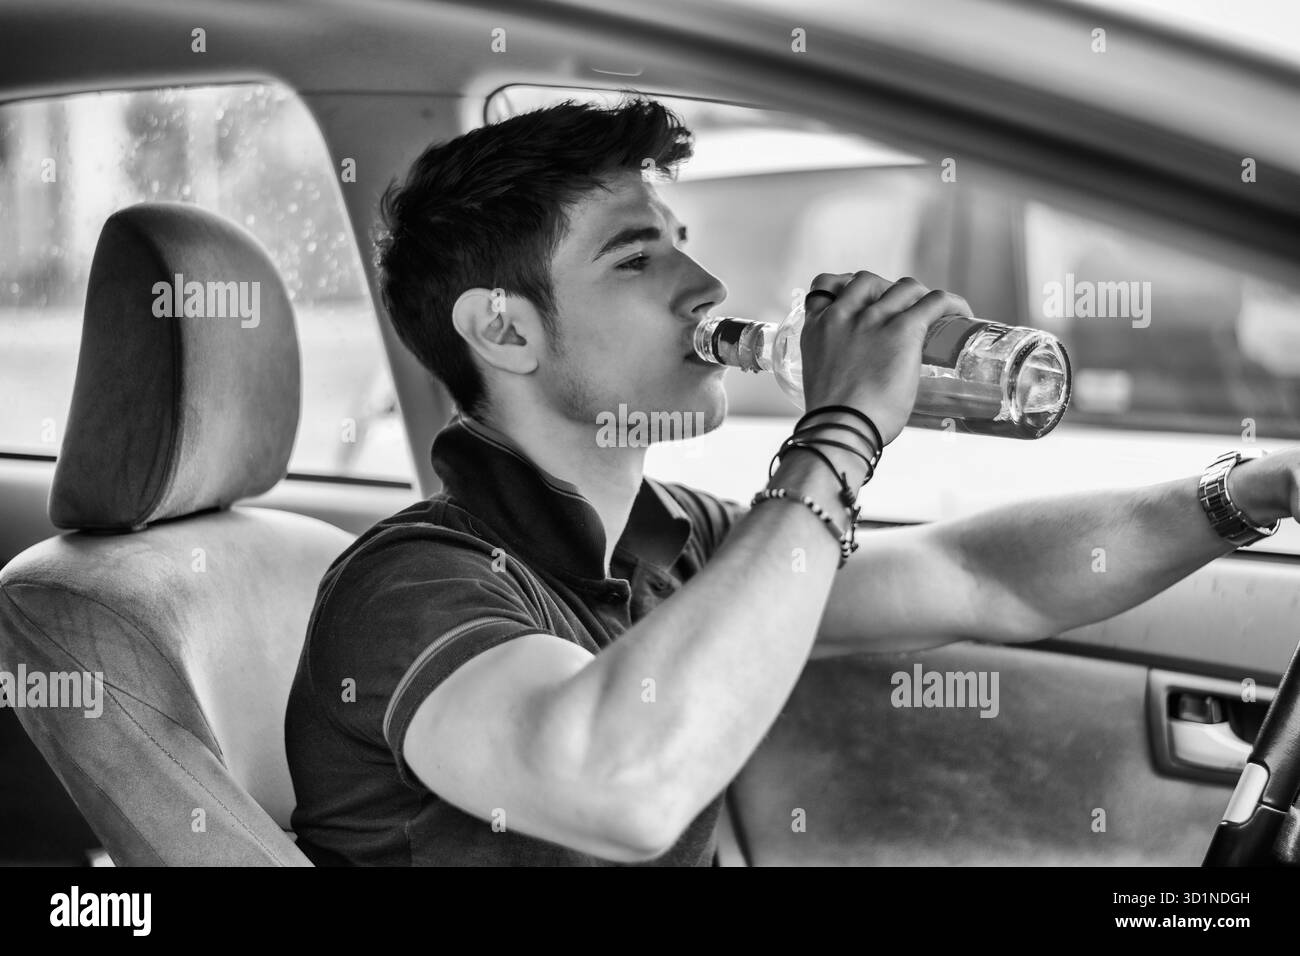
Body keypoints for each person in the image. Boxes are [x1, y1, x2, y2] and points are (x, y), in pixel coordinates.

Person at [284, 96, 1300, 866]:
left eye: (682, 239)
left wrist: (1244, 493)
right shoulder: (412, 588)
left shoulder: (673, 538)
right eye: (638, 258)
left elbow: (982, 575)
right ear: (503, 329)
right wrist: (842, 430)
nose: (708, 289)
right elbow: (620, 781)